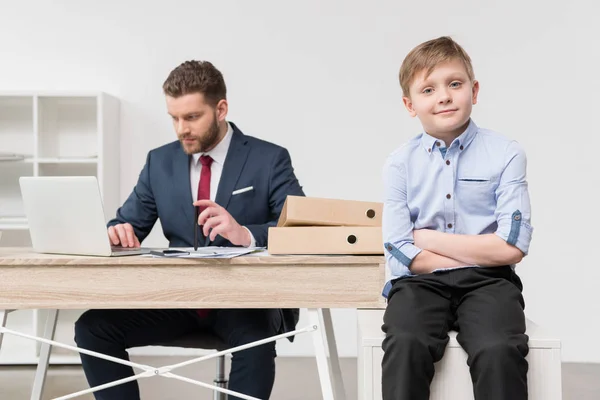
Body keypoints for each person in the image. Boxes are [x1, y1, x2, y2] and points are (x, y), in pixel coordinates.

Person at [74, 60, 305, 400]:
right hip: (178, 296)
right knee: (92, 328)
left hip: (245, 299)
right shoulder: (159, 162)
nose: (181, 128)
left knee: (256, 339)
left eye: (192, 117)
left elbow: (301, 230)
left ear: (221, 109)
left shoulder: (268, 159)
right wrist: (117, 231)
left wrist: (246, 234)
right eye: (174, 118)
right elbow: (128, 222)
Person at [381, 36, 533, 400]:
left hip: (489, 283)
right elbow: (400, 250)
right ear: (410, 104)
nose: (444, 96)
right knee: (405, 342)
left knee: (499, 349)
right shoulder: (399, 164)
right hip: (420, 284)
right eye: (428, 89)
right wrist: (482, 248)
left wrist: (428, 238)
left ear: (474, 90)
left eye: (454, 84)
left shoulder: (506, 153)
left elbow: (512, 248)